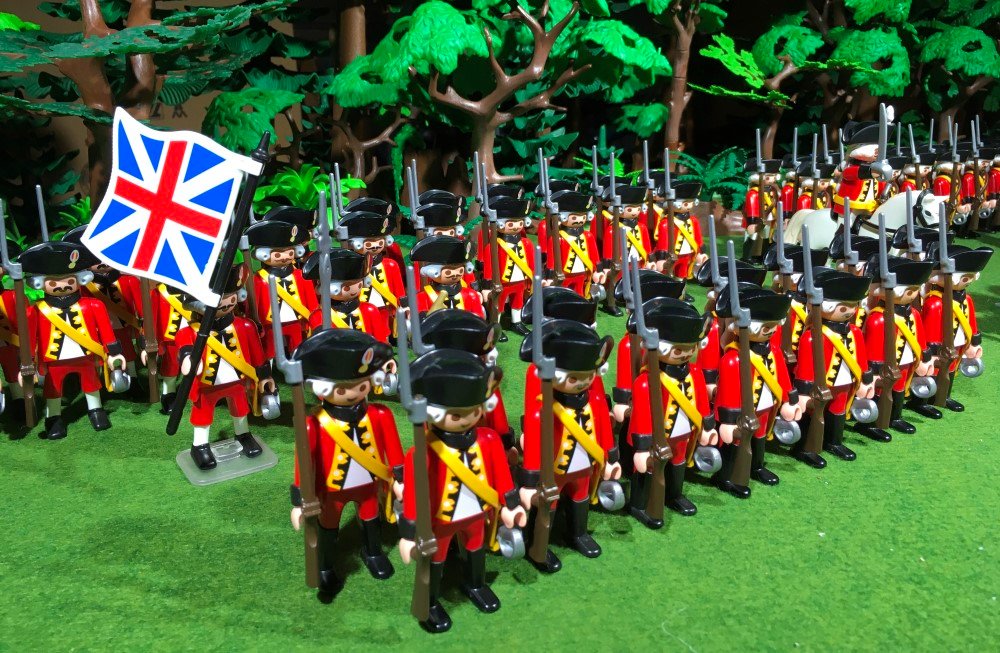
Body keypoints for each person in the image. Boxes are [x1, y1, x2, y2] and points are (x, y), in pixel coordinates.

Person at [398, 349, 526, 633]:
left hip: (477, 513)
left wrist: (511, 504)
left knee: (476, 548)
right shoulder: (422, 453)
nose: (467, 419)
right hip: (439, 522)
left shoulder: (489, 439)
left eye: (474, 410)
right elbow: (414, 497)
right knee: (436, 559)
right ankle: (430, 601)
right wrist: (409, 534)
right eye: (457, 414)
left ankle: (476, 584)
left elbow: (502, 476)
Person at [289, 328, 403, 595]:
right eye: (343, 388)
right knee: (328, 527)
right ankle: (325, 565)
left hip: (369, 486)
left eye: (361, 385)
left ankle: (373, 552)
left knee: (371, 519)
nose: (353, 393)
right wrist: (300, 500)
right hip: (331, 491)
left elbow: (395, 452)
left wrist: (401, 480)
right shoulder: (313, 424)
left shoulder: (381, 414)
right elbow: (303, 464)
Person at [519, 319, 619, 571]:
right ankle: (538, 545)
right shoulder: (543, 412)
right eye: (575, 378)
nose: (583, 382)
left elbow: (604, 432)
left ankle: (577, 534)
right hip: (553, 471)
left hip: (585, 466)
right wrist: (529, 484)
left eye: (588, 376)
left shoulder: (595, 401)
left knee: (580, 497)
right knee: (548, 507)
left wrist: (610, 459)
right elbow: (533, 448)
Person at [20, 241, 126, 440]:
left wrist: (114, 354)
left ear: (80, 279)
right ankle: (53, 417)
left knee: (91, 383)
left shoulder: (93, 305)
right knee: (53, 389)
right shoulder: (36, 311)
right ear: (40, 283)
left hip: (86, 355)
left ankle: (96, 410)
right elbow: (30, 339)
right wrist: (27, 363)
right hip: (53, 360)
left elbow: (106, 332)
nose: (62, 286)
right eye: (53, 283)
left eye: (69, 280)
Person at [627, 298, 716, 524]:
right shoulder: (646, 382)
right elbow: (641, 417)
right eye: (679, 349)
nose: (686, 354)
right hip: (655, 439)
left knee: (678, 463)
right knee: (648, 470)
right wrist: (642, 447)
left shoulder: (694, 372)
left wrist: (706, 426)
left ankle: (674, 495)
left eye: (690, 348)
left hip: (683, 433)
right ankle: (639, 504)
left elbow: (701, 403)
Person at [176, 267, 275, 470]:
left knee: (240, 408)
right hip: (206, 384)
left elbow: (258, 355)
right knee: (203, 413)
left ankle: (243, 434)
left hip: (238, 380)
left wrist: (265, 376)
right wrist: (188, 360)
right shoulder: (190, 332)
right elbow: (185, 350)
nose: (228, 302)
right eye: (222, 298)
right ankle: (199, 445)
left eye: (231, 296)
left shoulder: (245, 326)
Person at [713, 283, 800, 497]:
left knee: (760, 438)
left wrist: (789, 400)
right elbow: (728, 392)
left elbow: (782, 378)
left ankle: (757, 466)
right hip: (740, 414)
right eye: (765, 327)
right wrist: (728, 421)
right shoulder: (733, 359)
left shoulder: (774, 351)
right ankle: (726, 476)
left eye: (772, 326)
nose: (770, 331)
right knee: (734, 445)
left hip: (765, 406)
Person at [792, 268, 875, 467]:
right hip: (819, 386)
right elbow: (805, 366)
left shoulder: (854, 332)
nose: (850, 311)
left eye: (853, 305)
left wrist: (865, 380)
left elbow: (861, 359)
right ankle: (805, 447)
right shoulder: (812, 336)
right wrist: (804, 392)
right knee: (812, 416)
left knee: (838, 412)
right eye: (844, 306)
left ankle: (834, 442)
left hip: (845, 381)